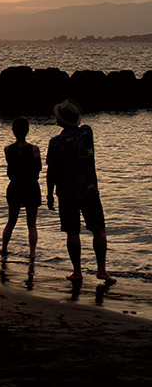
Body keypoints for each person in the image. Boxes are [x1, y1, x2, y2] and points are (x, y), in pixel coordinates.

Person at [46, 99, 115, 284]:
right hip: (89, 190)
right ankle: (102, 269)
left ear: (60, 121)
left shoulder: (55, 143)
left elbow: (51, 172)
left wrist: (49, 194)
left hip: (67, 193)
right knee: (99, 230)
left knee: (72, 232)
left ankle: (77, 271)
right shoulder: (87, 132)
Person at [1, 116, 41, 261]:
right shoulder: (34, 149)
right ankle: (32, 253)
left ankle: (4, 248)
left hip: (15, 186)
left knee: (11, 222)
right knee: (31, 224)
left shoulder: (7, 149)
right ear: (27, 130)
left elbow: (10, 166)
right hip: (31, 186)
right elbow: (39, 167)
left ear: (13, 131)